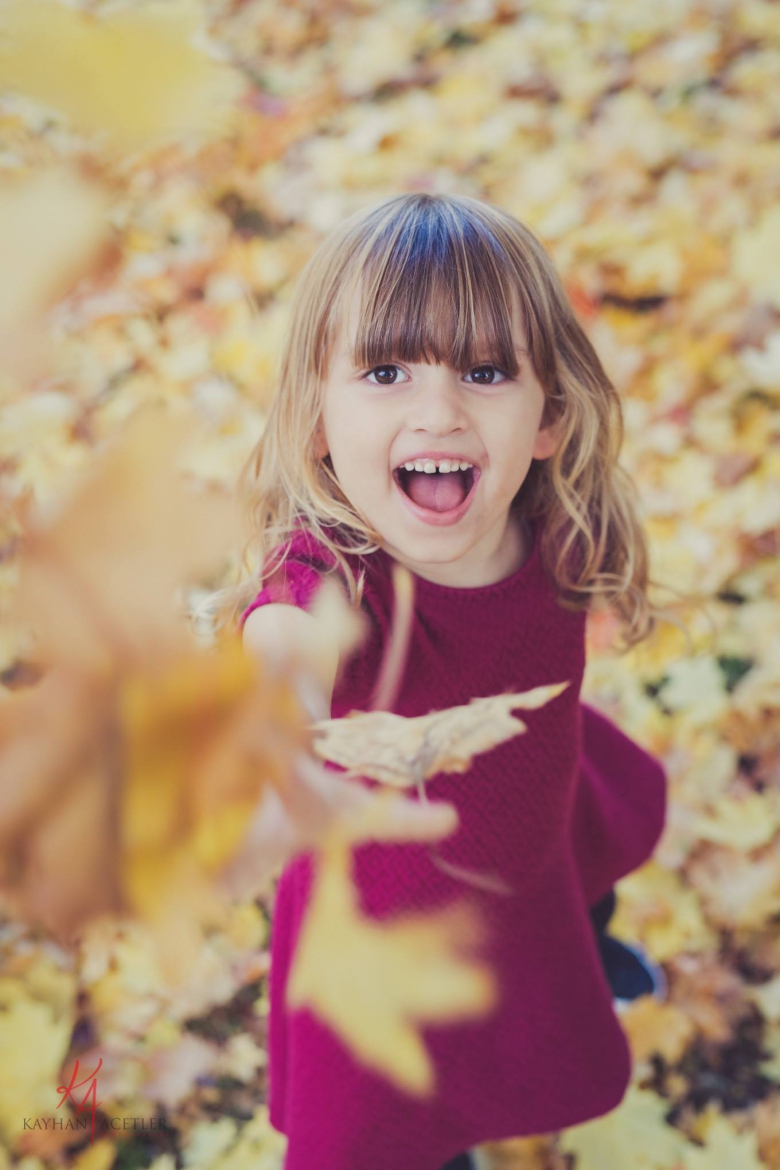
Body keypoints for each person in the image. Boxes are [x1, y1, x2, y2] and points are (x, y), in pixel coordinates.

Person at [212, 193, 677, 1170]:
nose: (440, 411)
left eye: (485, 370)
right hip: (395, 931)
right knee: (395, 1119)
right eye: (386, 372)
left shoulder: (552, 527)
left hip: (533, 809)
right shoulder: (332, 572)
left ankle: (582, 948)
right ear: (317, 424)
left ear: (548, 417)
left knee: (567, 900)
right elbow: (289, 642)